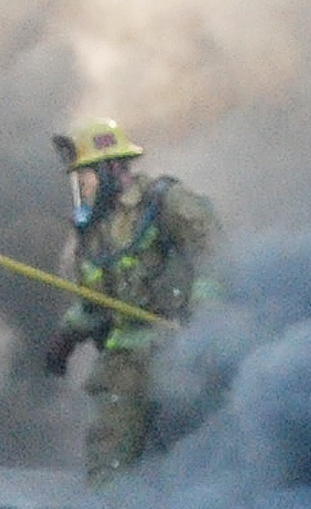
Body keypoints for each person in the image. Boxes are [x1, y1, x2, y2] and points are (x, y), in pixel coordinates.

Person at [43, 117, 220, 483]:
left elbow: (212, 255)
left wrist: (203, 320)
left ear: (111, 169)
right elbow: (96, 301)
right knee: (110, 457)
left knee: (180, 454)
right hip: (127, 358)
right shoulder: (94, 232)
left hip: (178, 345)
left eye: (86, 178)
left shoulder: (164, 202)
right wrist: (68, 337)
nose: (82, 189)